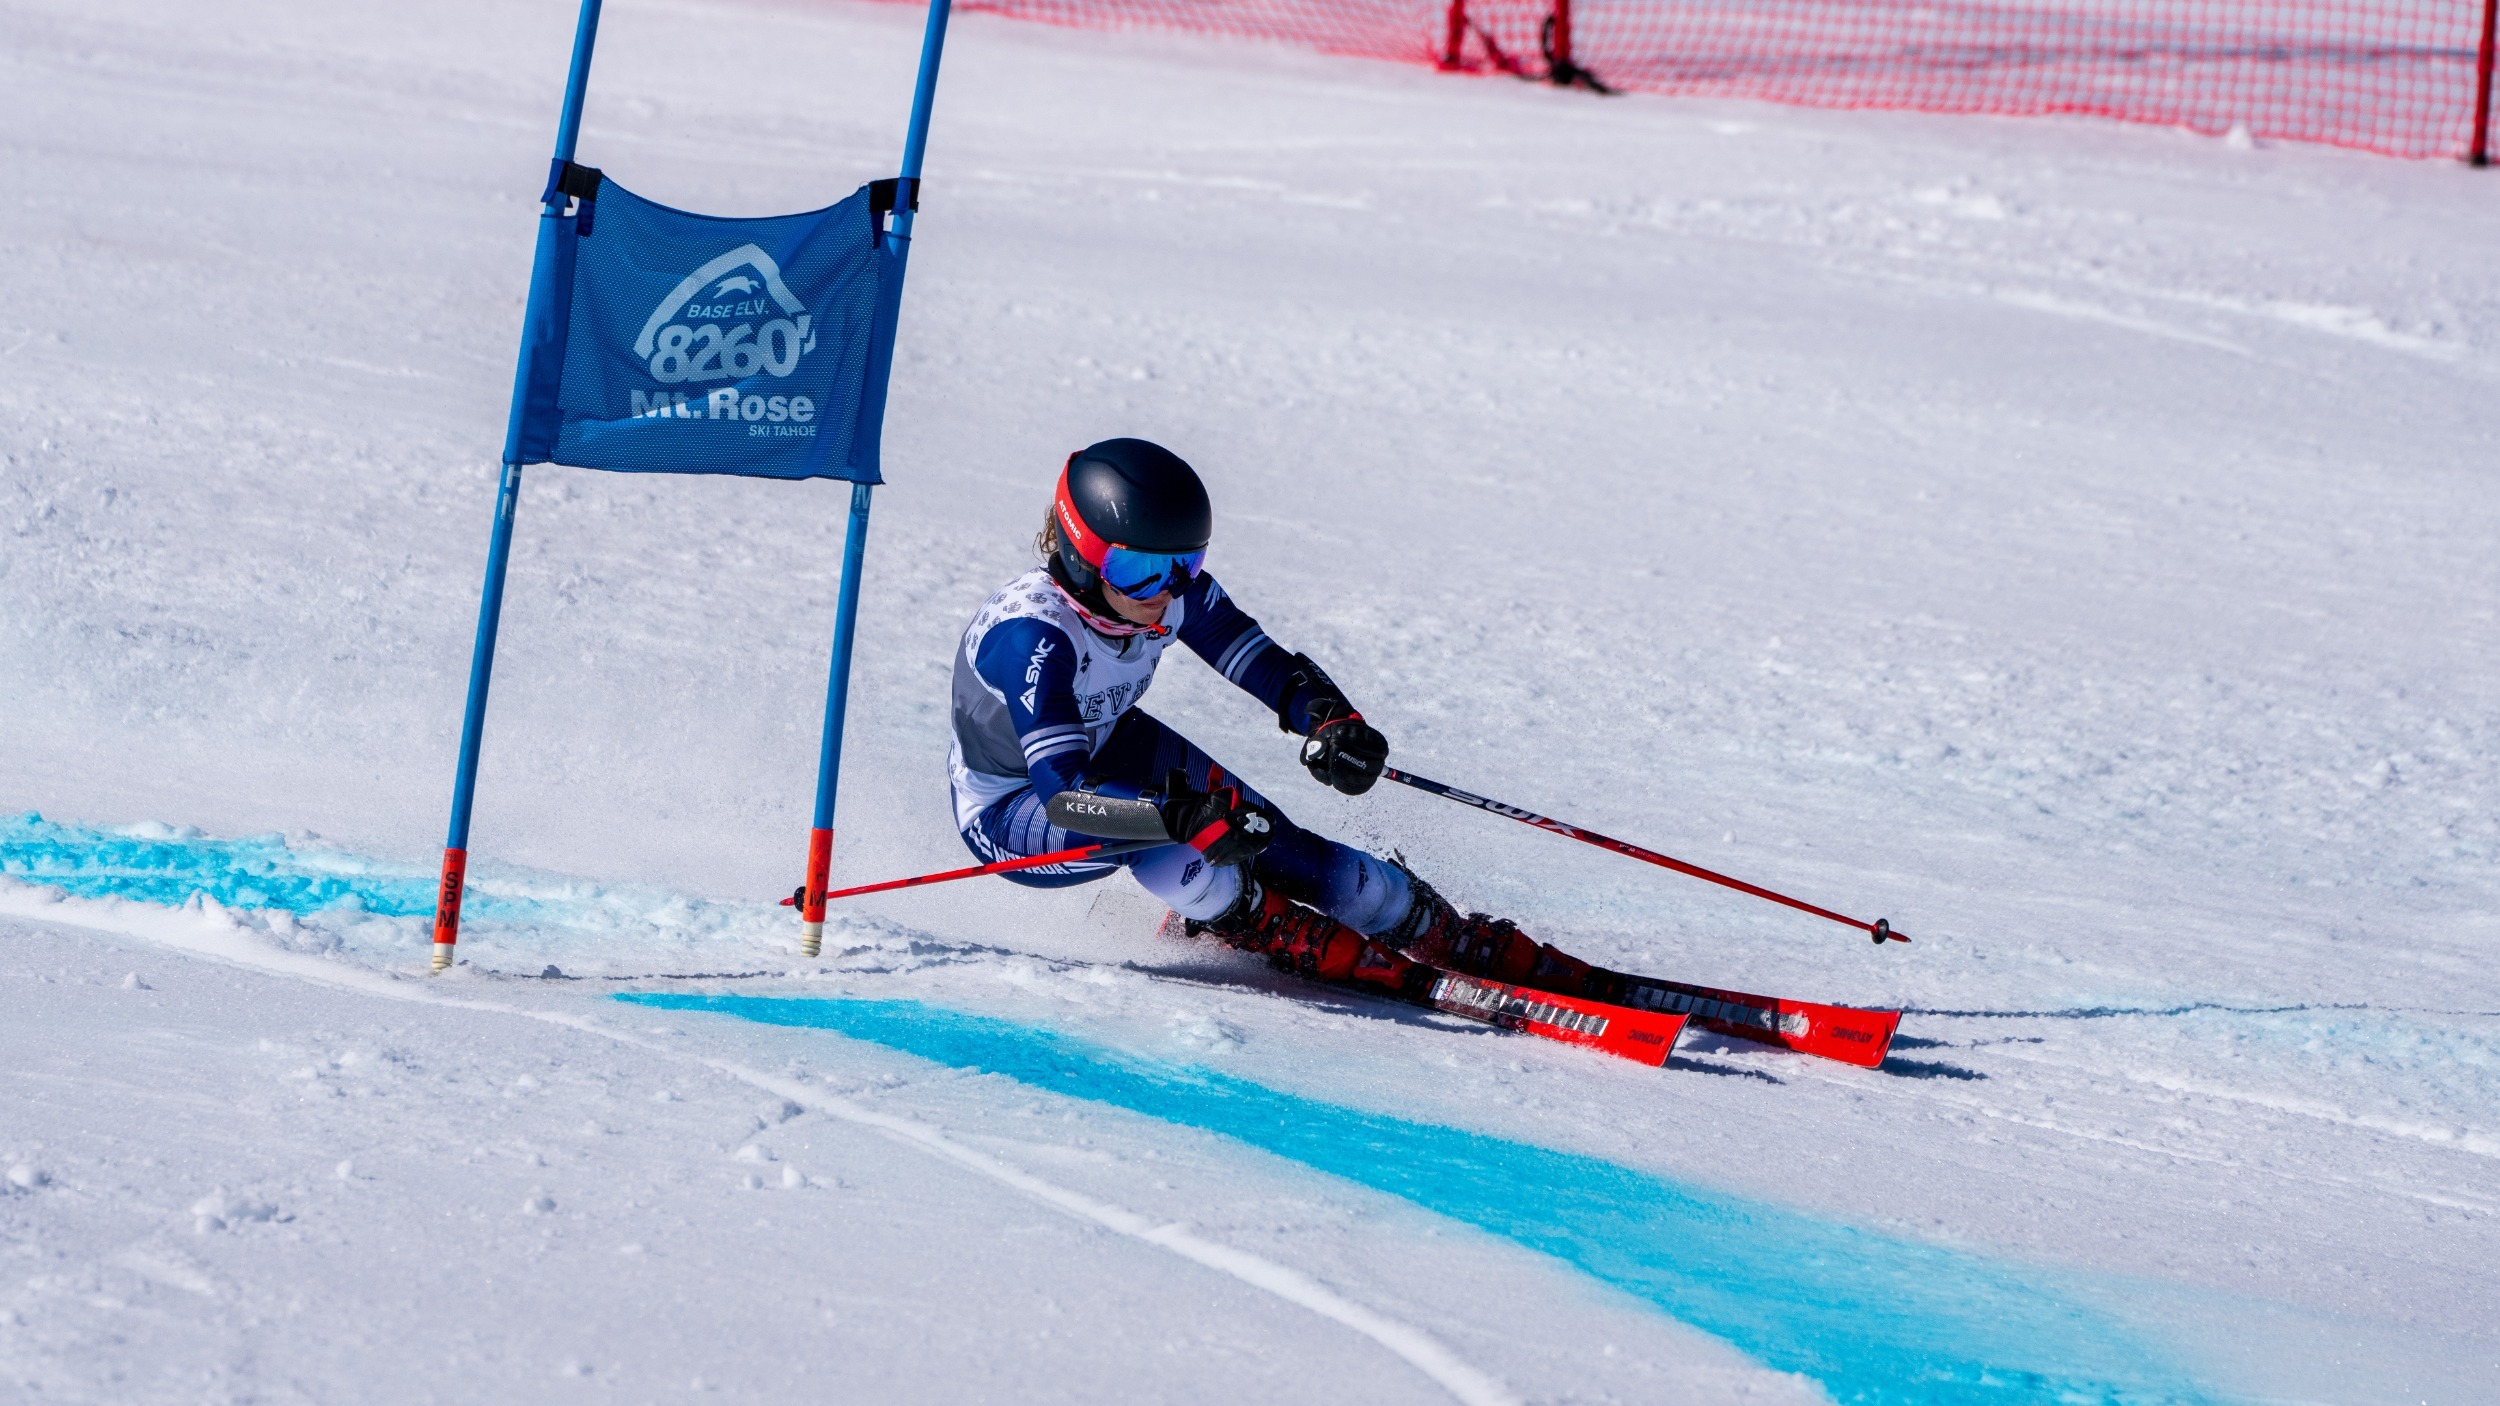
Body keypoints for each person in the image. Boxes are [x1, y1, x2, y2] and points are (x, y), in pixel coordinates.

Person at [948, 437, 1613, 1002]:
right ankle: (1249, 918)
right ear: (1081, 554)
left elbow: (1256, 659)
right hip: (1015, 809)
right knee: (1172, 837)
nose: (1168, 591)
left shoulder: (1167, 597)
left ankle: (1422, 920)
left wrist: (1330, 720)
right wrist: (1173, 817)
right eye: (1140, 570)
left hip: (1110, 747)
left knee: (1274, 839)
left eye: (1186, 563)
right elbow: (1065, 796)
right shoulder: (1035, 637)